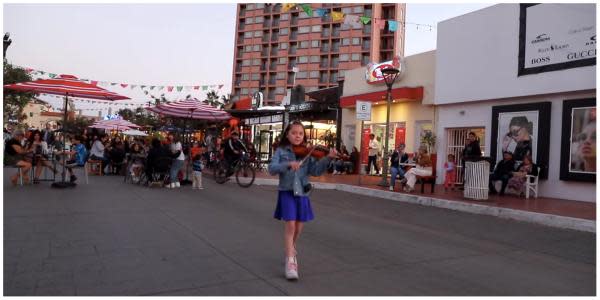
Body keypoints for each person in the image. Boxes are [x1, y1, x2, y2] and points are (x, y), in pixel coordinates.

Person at [268, 120, 337, 280]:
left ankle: (291, 247)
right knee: (291, 224)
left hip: (302, 193)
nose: (297, 136)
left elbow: (316, 171)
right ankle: (290, 260)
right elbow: (271, 169)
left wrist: (328, 158)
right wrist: (288, 164)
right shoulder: (281, 150)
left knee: (298, 227)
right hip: (287, 191)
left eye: (300, 133)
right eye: (294, 133)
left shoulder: (308, 152)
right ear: (287, 134)